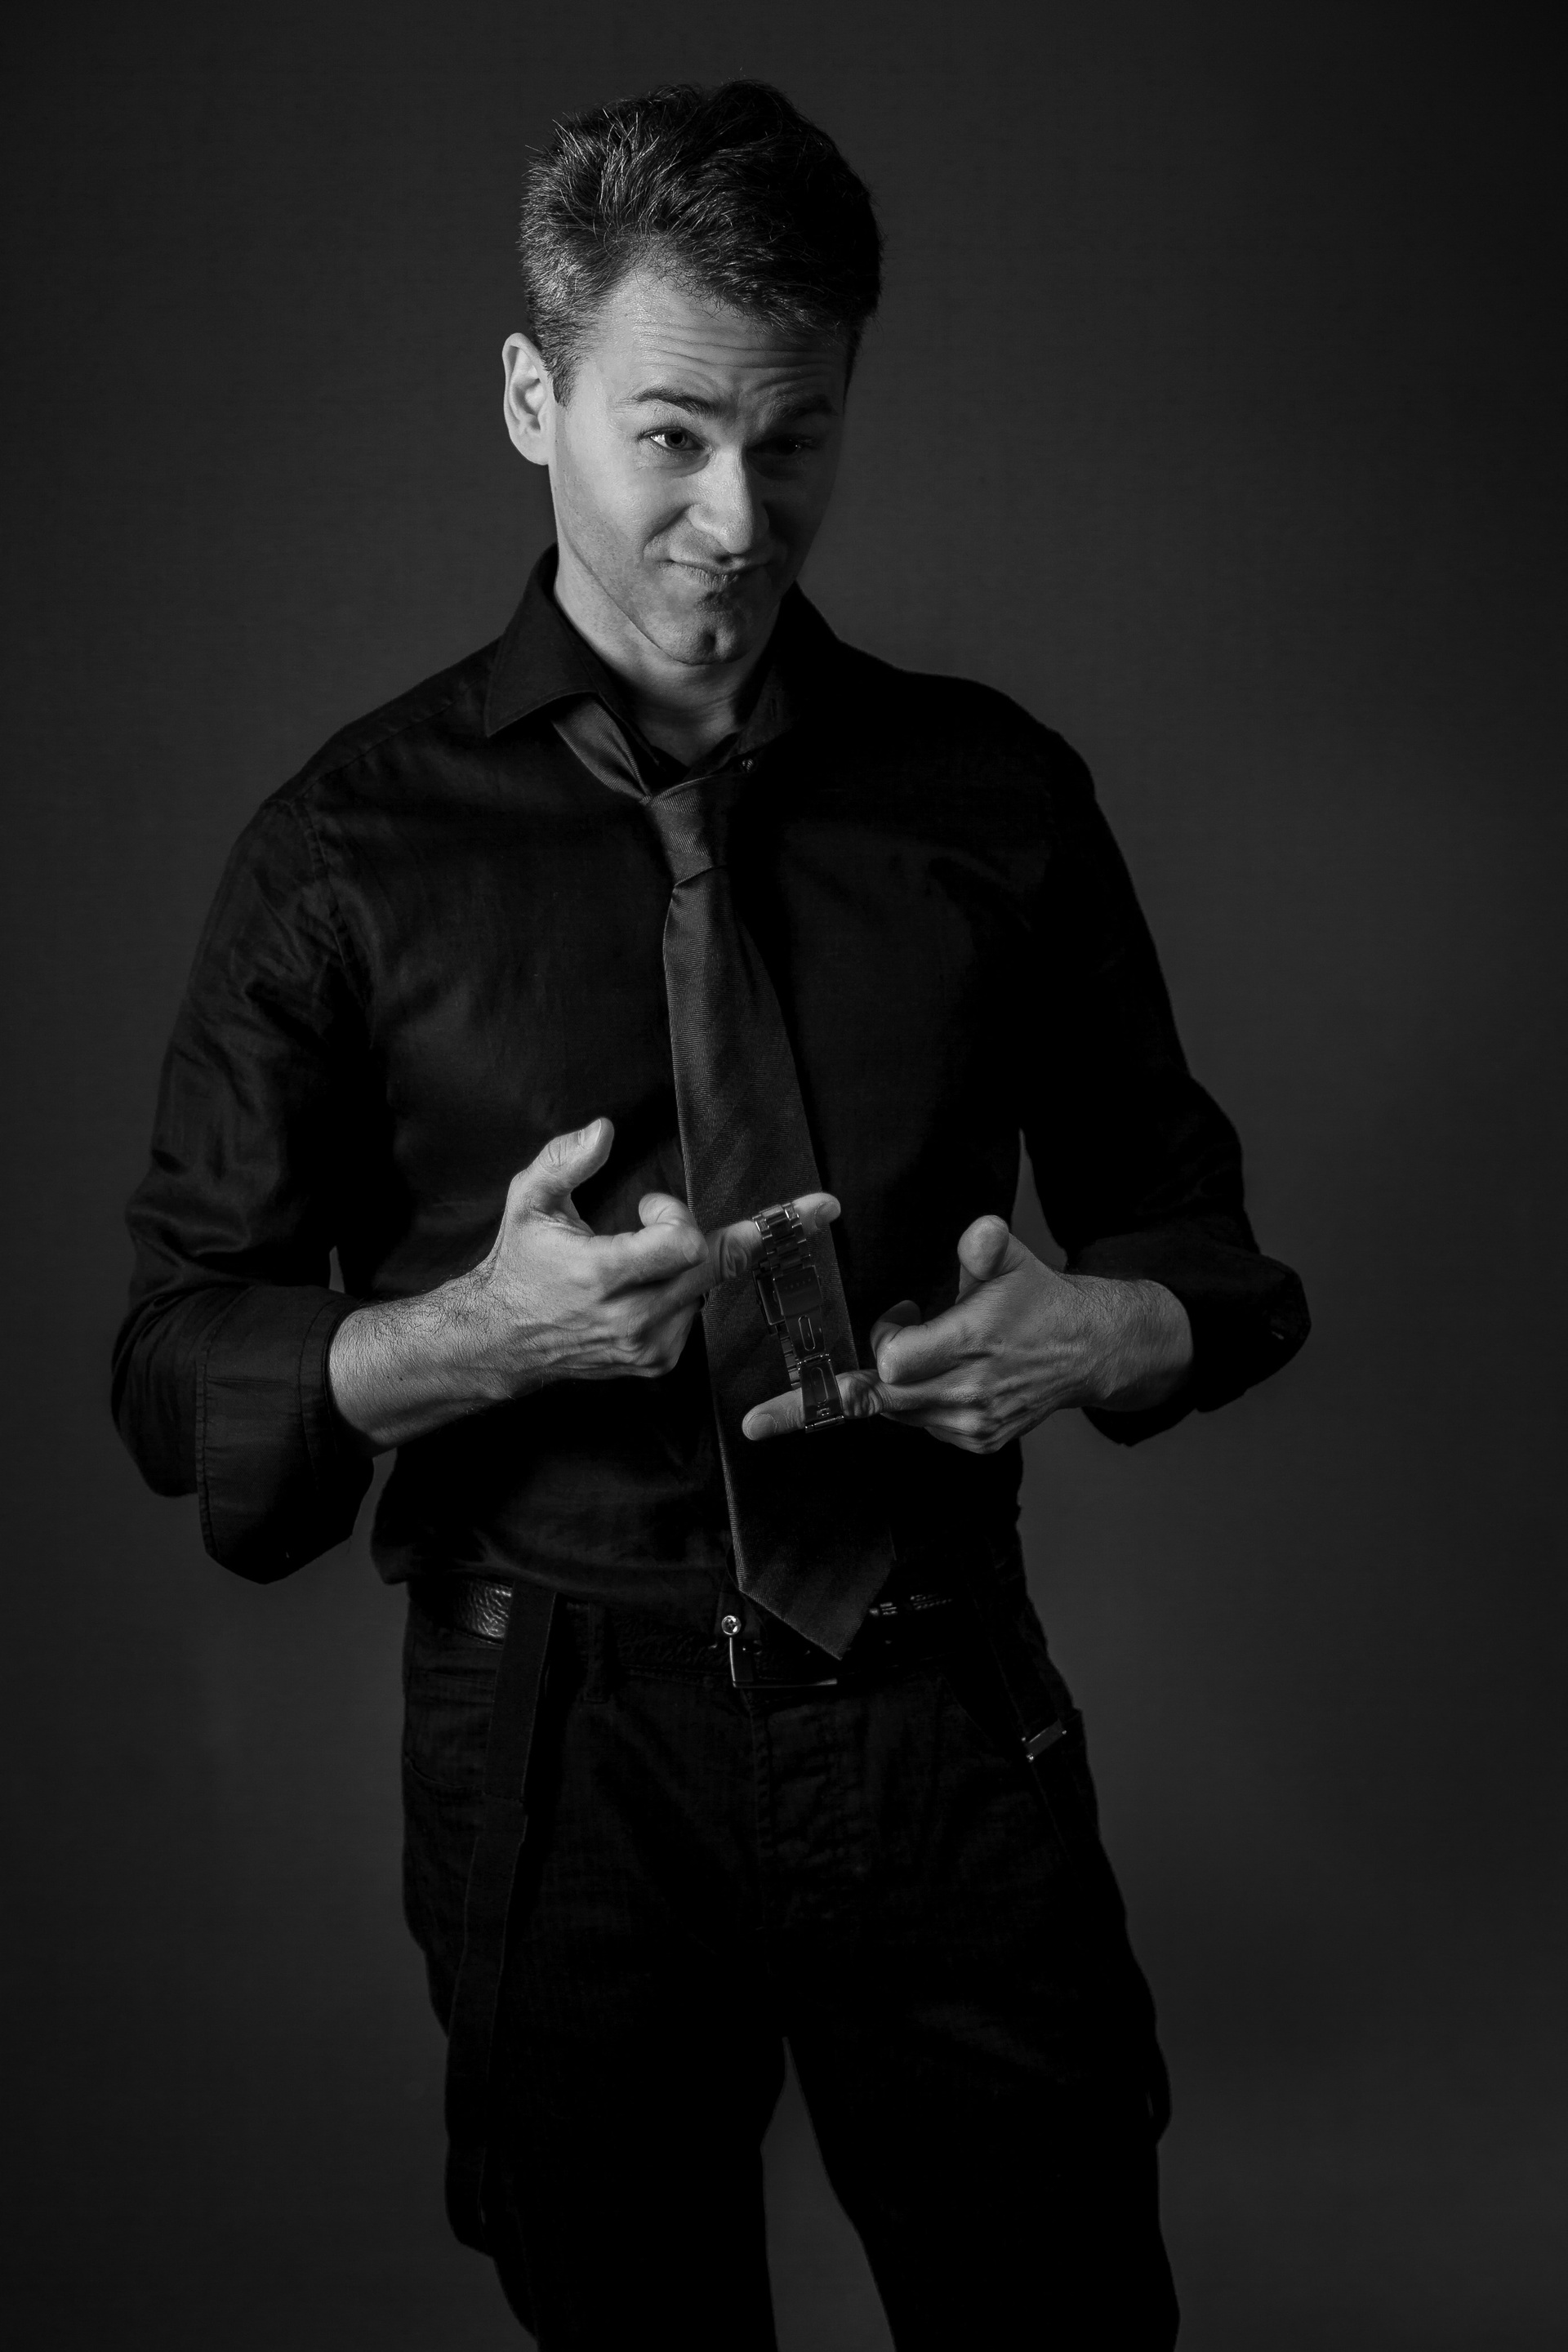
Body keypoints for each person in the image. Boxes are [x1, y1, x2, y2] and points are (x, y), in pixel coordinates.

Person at [114, 79, 1307, 2350]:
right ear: (531, 397)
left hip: (942, 1702)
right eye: (670, 437)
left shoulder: (995, 798)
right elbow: (171, 1365)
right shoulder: (342, 855)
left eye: (797, 438)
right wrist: (481, 1335)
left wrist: (1102, 1332)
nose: (737, 521)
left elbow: (1207, 1249)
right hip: (562, 1740)